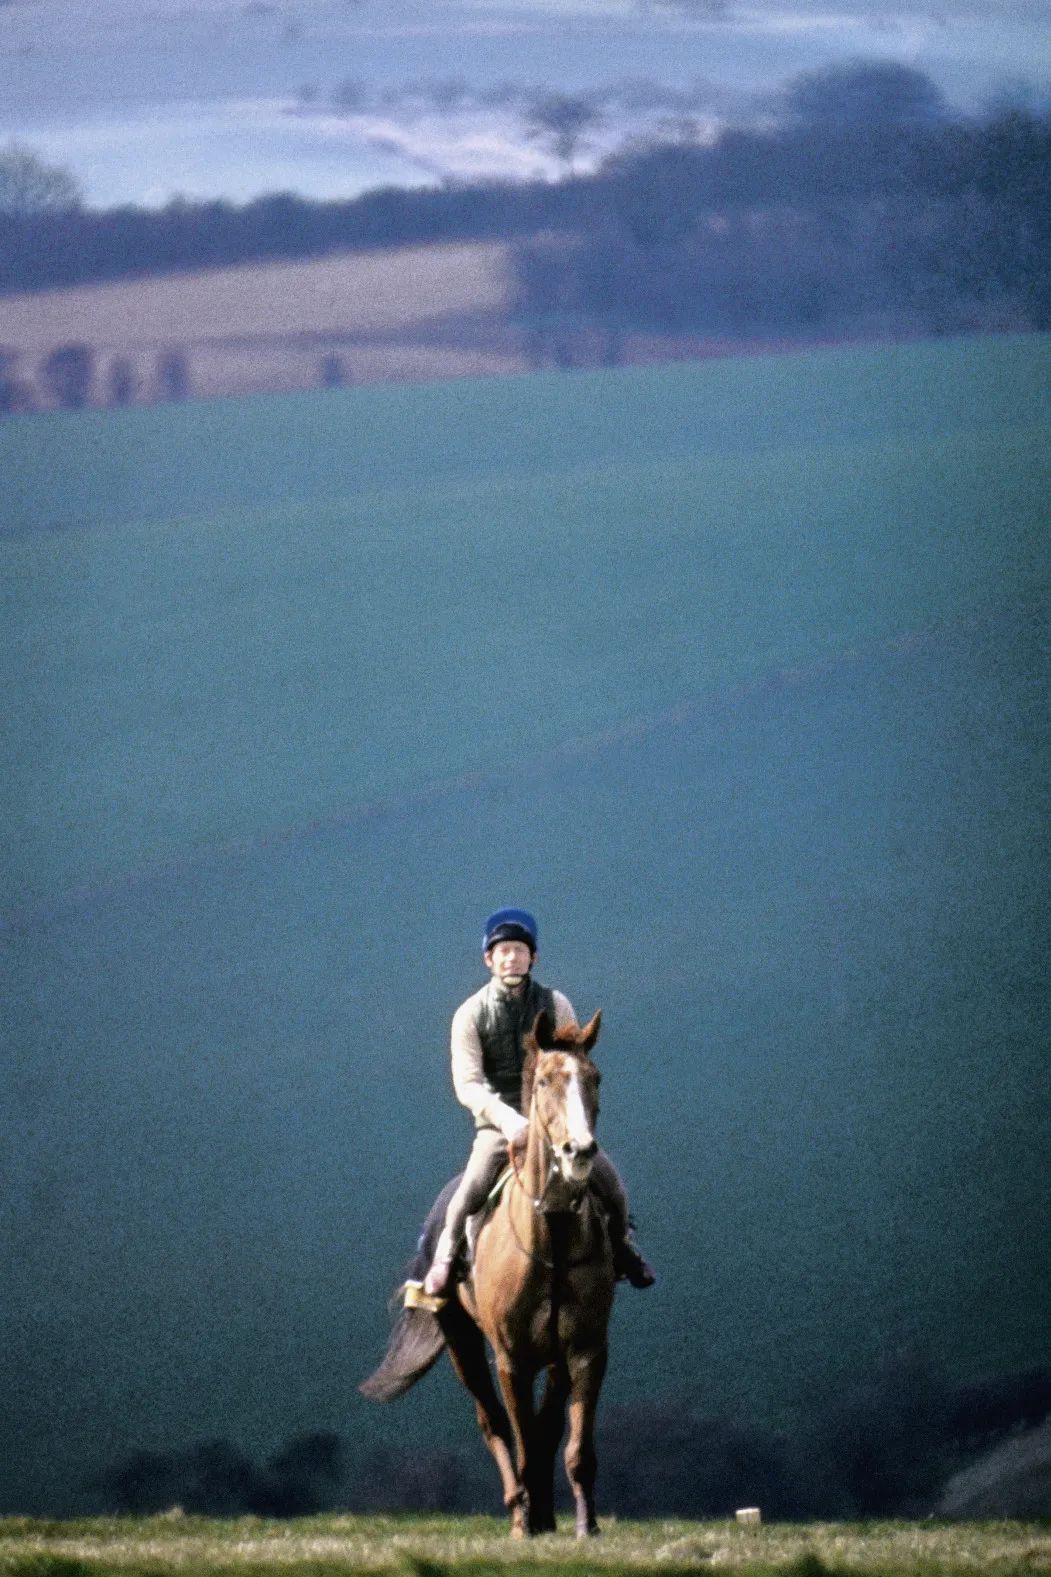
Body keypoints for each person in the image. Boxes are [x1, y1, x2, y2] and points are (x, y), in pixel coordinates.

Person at [422, 907, 655, 1298]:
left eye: (519, 950)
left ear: (534, 957)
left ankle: (623, 1248)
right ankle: (446, 1257)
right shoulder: (469, 1015)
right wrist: (509, 1120)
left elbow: (572, 1062)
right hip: (499, 1124)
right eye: (503, 951)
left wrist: (570, 1118)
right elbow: (468, 1084)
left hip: (554, 1120)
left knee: (610, 1182)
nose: (512, 957)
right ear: (489, 960)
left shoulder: (555, 1002)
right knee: (473, 1186)